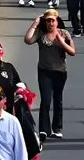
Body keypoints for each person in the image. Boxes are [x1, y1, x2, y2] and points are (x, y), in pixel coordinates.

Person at [24, 9, 75, 139]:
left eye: (52, 21)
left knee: (58, 99)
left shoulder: (64, 34)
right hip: (44, 71)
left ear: (57, 22)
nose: (50, 23)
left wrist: (60, 40)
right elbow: (28, 40)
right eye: (48, 21)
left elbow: (72, 51)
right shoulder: (41, 34)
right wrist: (35, 23)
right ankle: (44, 130)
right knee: (46, 100)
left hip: (60, 72)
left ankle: (57, 128)